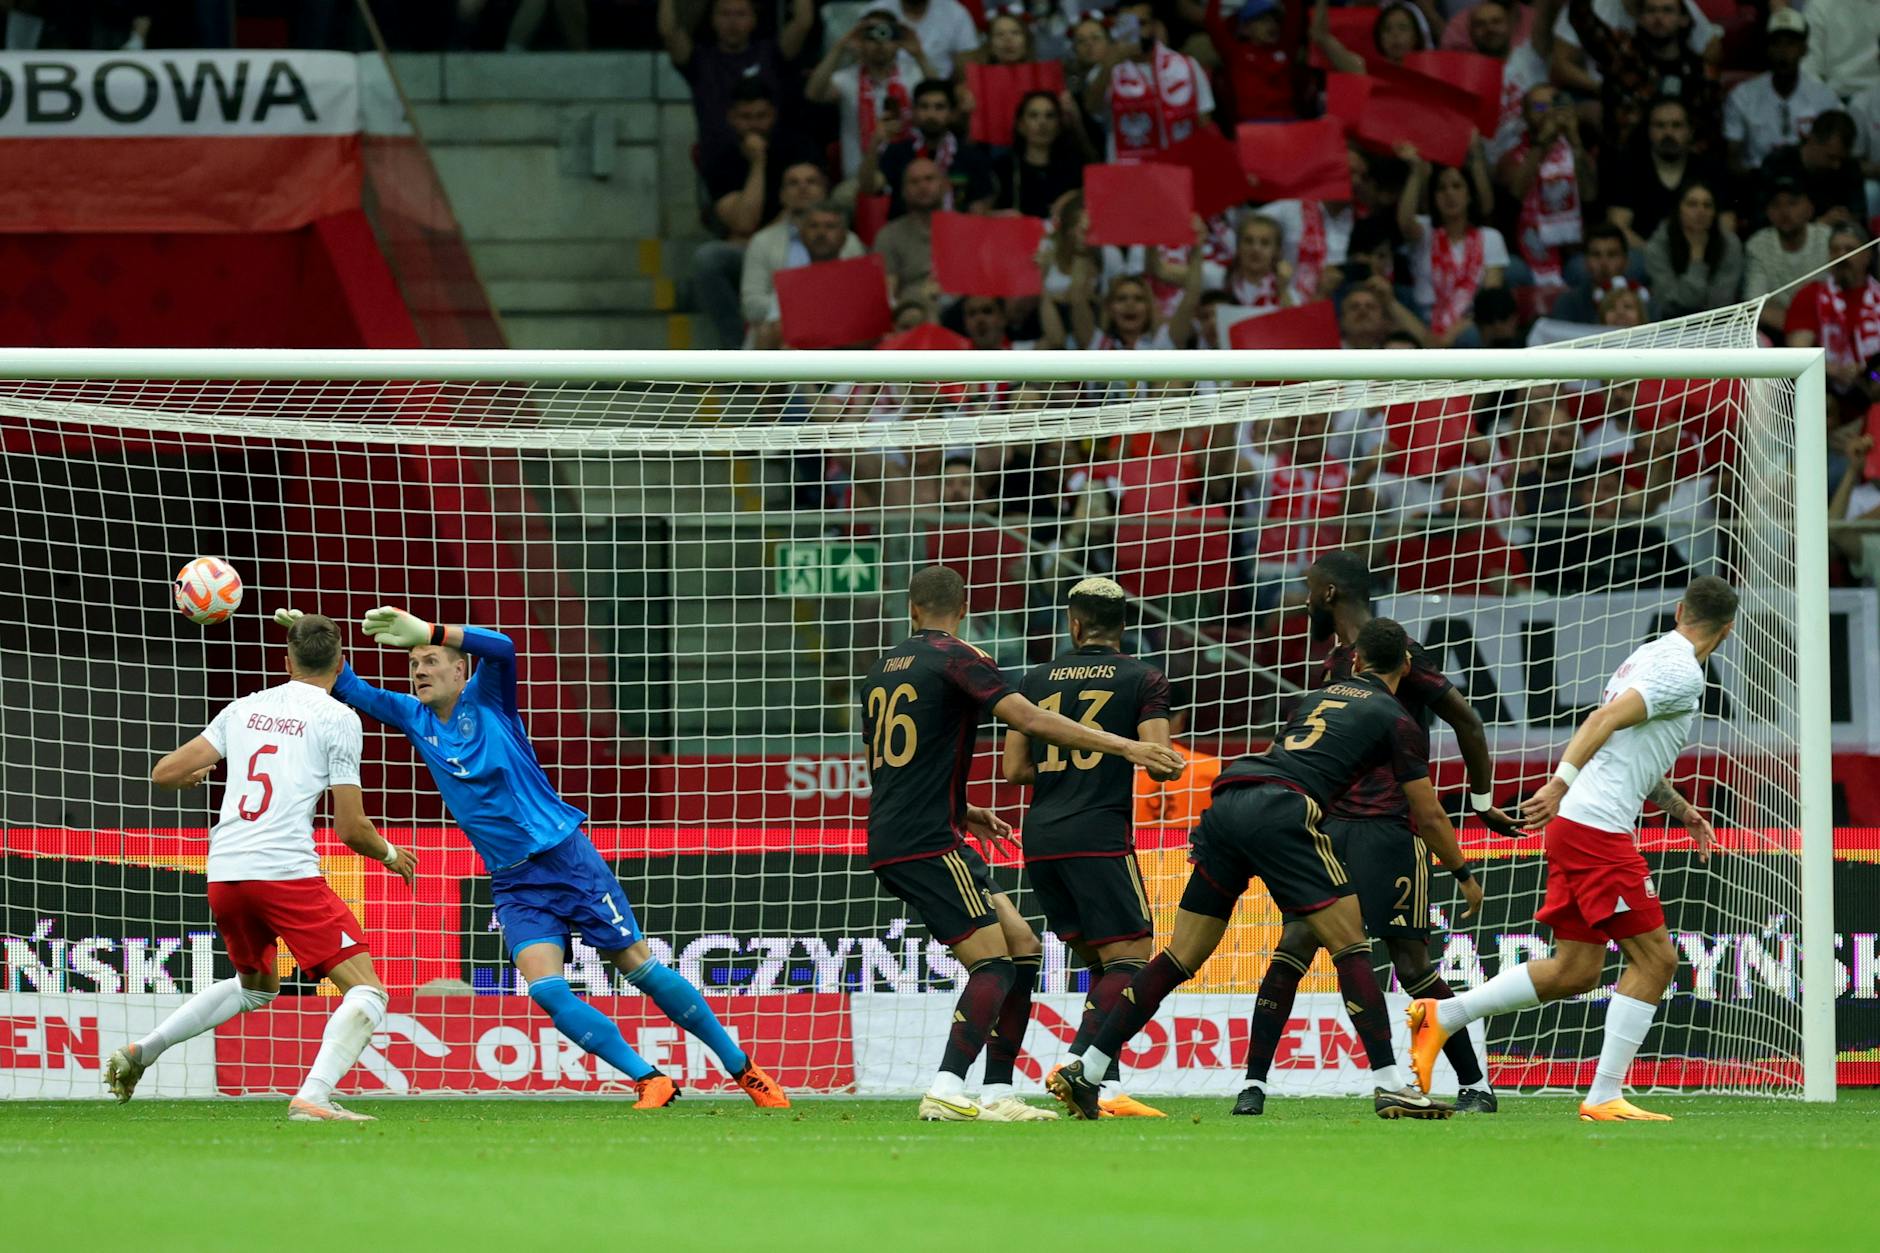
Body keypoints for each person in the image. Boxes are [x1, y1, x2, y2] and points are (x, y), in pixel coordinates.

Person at [292, 605, 791, 1110]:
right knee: (547, 990)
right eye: (413, 663)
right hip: (514, 883)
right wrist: (311, 638)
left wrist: (430, 630)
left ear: (460, 670)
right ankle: (649, 1079)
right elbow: (349, 686)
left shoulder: (487, 699)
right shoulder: (412, 716)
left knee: (636, 965)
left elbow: (503, 648)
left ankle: (743, 1069)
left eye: (431, 660)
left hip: (565, 858)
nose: (419, 670)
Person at [1047, 617, 1464, 1121]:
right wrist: (1462, 872)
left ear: (1355, 660)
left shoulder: (1316, 698)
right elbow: (1428, 812)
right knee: (1350, 946)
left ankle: (1088, 1068)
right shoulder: (1397, 717)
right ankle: (1392, 1084)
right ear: (1406, 665)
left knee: (1180, 956)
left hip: (1230, 798)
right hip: (1283, 808)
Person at [1409, 577, 1738, 1121]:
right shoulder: (1681, 670)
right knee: (1657, 960)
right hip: (1596, 830)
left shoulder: (1648, 656)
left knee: (1577, 970)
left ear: (1680, 610)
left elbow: (1628, 752)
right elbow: (1600, 721)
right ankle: (1605, 1094)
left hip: (1579, 824)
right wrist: (1559, 782)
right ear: (1727, 631)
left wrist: (1681, 809)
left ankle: (1442, 1015)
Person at [860, 566, 1183, 1121]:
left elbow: (892, 764)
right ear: (964, 609)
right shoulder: (961, 658)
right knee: (994, 964)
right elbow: (1030, 719)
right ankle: (947, 1087)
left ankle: (997, 1092)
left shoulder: (880, 669)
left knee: (1022, 946)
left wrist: (963, 810)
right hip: (931, 840)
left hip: (908, 828)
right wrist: (1128, 748)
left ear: (912, 609)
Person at [1235, 554, 1518, 1117]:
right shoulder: (1338, 658)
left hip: (1391, 827)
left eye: (1309, 588)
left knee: (1411, 966)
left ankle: (1475, 1084)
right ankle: (1253, 1085)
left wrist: (1481, 801)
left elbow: (1467, 719)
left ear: (1329, 593)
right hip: (1329, 827)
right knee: (1294, 946)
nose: (1304, 599)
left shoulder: (1397, 650)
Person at [108, 614, 416, 1121]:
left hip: (226, 874)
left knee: (256, 986)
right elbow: (351, 829)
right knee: (368, 991)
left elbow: (165, 772)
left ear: (287, 660)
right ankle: (314, 1096)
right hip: (284, 872)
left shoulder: (244, 708)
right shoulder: (339, 718)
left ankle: (144, 1051)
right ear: (340, 663)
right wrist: (389, 854)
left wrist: (190, 778)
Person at [1000, 576, 1175, 1119]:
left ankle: (1106, 1088)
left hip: (1041, 839)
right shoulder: (1143, 678)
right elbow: (1160, 763)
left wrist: (1064, 771)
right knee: (1131, 961)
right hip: (1098, 835)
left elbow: (1013, 770)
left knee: (1104, 962)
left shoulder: (1034, 679)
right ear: (1123, 625)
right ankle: (1079, 1067)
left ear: (1074, 624)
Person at [693, 80, 820, 348]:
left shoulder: (797, 146)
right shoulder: (718, 156)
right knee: (708, 259)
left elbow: (809, 204)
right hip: (754, 252)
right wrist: (758, 162)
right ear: (731, 117)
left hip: (802, 240)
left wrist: (763, 238)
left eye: (761, 116)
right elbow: (744, 221)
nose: (754, 125)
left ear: (773, 114)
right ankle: (737, 352)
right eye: (746, 117)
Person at [1567, 0, 1721, 162]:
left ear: (1684, 19)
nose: (1658, 17)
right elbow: (1583, 21)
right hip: (1625, 163)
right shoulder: (1623, 56)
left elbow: (1711, 132)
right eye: (1651, 11)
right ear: (1639, 18)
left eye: (1667, 10)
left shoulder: (1701, 71)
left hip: (1684, 167)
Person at [658, 0, 815, 157]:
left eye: (741, 14)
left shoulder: (771, 54)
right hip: (719, 162)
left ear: (754, 20)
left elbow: (802, 23)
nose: (732, 22)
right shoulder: (700, 60)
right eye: (725, 14)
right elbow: (669, 32)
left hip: (774, 159)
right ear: (713, 19)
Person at [1398, 143, 1508, 345]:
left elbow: (1490, 298)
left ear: (1469, 195)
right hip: (1423, 319)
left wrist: (1449, 335)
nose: (1449, 194)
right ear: (1434, 197)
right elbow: (1404, 222)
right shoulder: (1425, 232)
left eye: (1457, 186)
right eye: (1441, 188)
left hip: (1469, 321)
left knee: (1472, 335)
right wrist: (1416, 174)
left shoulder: (1490, 238)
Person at [806, 10, 934, 182]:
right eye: (871, 34)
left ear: (897, 41)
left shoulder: (913, 74)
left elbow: (939, 96)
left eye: (887, 33)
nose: (880, 41)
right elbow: (813, 93)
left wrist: (919, 55)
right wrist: (841, 46)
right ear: (860, 40)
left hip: (909, 178)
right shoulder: (847, 78)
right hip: (858, 179)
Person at [1085, 0, 1215, 162]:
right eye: (1128, 25)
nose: (1136, 31)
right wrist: (1111, 62)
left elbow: (1204, 121)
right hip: (1129, 169)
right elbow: (1092, 108)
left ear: (1154, 26)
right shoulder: (1106, 71)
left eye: (1142, 24)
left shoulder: (1186, 66)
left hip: (1179, 164)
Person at [1497, 80, 1594, 289]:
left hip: (1571, 250)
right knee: (1512, 271)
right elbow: (1514, 196)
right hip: (1525, 250)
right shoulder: (1510, 157)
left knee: (1584, 268)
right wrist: (1542, 143)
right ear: (1525, 114)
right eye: (1540, 107)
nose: (1548, 112)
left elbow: (1590, 194)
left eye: (1554, 105)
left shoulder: (1577, 151)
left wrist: (1575, 142)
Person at [1723, 9, 1839, 178]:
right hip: (1757, 179)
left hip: (1807, 180)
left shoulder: (1824, 97)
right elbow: (1733, 158)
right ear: (1768, 49)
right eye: (1776, 43)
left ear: (1804, 49)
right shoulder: (1743, 96)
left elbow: (1834, 155)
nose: (1783, 51)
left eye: (1791, 44)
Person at [1605, 96, 1726, 251]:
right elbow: (1618, 226)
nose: (1668, 133)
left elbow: (1725, 225)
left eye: (1677, 125)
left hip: (1701, 254)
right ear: (1649, 131)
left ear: (1690, 131)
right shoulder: (1628, 167)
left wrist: (1695, 255)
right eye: (1660, 125)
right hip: (1643, 253)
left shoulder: (1711, 169)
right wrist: (1656, 257)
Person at [743, 194, 865, 347]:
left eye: (830, 226)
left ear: (845, 237)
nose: (821, 233)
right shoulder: (790, 286)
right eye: (814, 226)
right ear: (802, 235)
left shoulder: (862, 281)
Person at [867, 78, 998, 217]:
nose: (931, 114)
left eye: (939, 107)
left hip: (956, 227)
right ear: (914, 112)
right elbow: (869, 187)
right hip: (906, 228)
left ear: (952, 113)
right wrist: (874, 143)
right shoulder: (897, 151)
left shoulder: (972, 156)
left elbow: (979, 207)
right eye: (924, 107)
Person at [1784, 224, 1880, 406]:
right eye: (1835, 249)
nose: (1841, 255)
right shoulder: (1810, 295)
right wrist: (1834, 370)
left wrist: (1870, 374)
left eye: (1849, 249)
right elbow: (1798, 355)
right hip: (1825, 391)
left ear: (1867, 256)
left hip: (1873, 384)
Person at [1745, 176, 1831, 340]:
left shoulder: (1827, 239)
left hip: (1826, 329)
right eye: (1776, 205)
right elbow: (1755, 306)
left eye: (1792, 203)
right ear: (1768, 212)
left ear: (1809, 208)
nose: (1784, 212)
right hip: (1778, 333)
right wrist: (1800, 329)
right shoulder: (1757, 245)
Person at [1643, 179, 1742, 317]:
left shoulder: (1729, 244)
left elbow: (1721, 303)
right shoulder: (1658, 245)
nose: (1701, 211)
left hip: (1717, 323)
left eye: (1707, 205)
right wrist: (1697, 258)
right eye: (1692, 204)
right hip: (1668, 322)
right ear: (1678, 209)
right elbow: (1670, 304)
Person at [1757, 111, 1867, 229]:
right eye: (1831, 157)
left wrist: (1848, 218)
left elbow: (1859, 215)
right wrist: (1817, 226)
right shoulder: (1778, 163)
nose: (1836, 165)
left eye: (1841, 158)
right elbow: (1762, 218)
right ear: (1813, 140)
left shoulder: (1849, 167)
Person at [991, 90, 1092, 218]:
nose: (1042, 122)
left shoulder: (1074, 166)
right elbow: (980, 213)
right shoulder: (1003, 168)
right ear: (1020, 125)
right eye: (1033, 115)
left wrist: (1077, 196)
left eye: (1050, 116)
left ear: (1059, 125)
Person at [1204, 0, 1305, 123]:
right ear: (1245, 29)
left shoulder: (1285, 49)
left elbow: (1295, 10)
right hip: (1253, 123)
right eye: (1263, 21)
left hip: (1289, 120)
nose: (1272, 25)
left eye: (1275, 20)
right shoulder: (1235, 53)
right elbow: (1212, 22)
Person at [872, 157, 948, 303]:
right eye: (914, 182)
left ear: (944, 185)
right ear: (903, 191)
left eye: (929, 179)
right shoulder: (888, 236)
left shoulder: (966, 230)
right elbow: (888, 295)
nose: (923, 186)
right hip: (913, 309)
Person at [1551, 224, 1641, 324]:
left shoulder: (1642, 299)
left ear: (1625, 260)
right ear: (1585, 261)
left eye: (1612, 254)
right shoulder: (1568, 304)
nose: (1604, 263)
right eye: (1596, 255)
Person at [891, 0, 980, 80]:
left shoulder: (956, 13)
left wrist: (919, 56)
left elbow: (967, 70)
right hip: (889, 86)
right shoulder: (884, 8)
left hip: (941, 87)